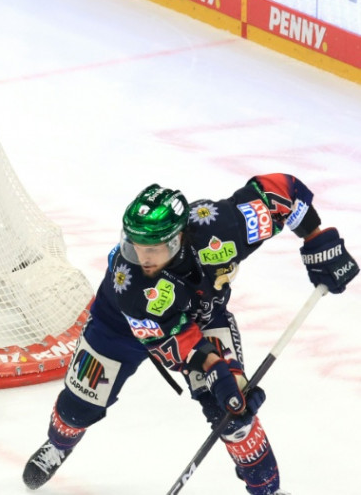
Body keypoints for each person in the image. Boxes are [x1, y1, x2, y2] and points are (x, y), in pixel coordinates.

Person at [22, 174, 357, 494]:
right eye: (134, 245)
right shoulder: (131, 283)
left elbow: (282, 193)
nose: (141, 256)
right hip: (119, 327)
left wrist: (317, 240)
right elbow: (172, 342)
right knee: (78, 405)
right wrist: (216, 368)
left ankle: (267, 490)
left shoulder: (219, 226)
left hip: (204, 317)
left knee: (232, 411)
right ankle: (58, 444)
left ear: (178, 238)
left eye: (151, 248)